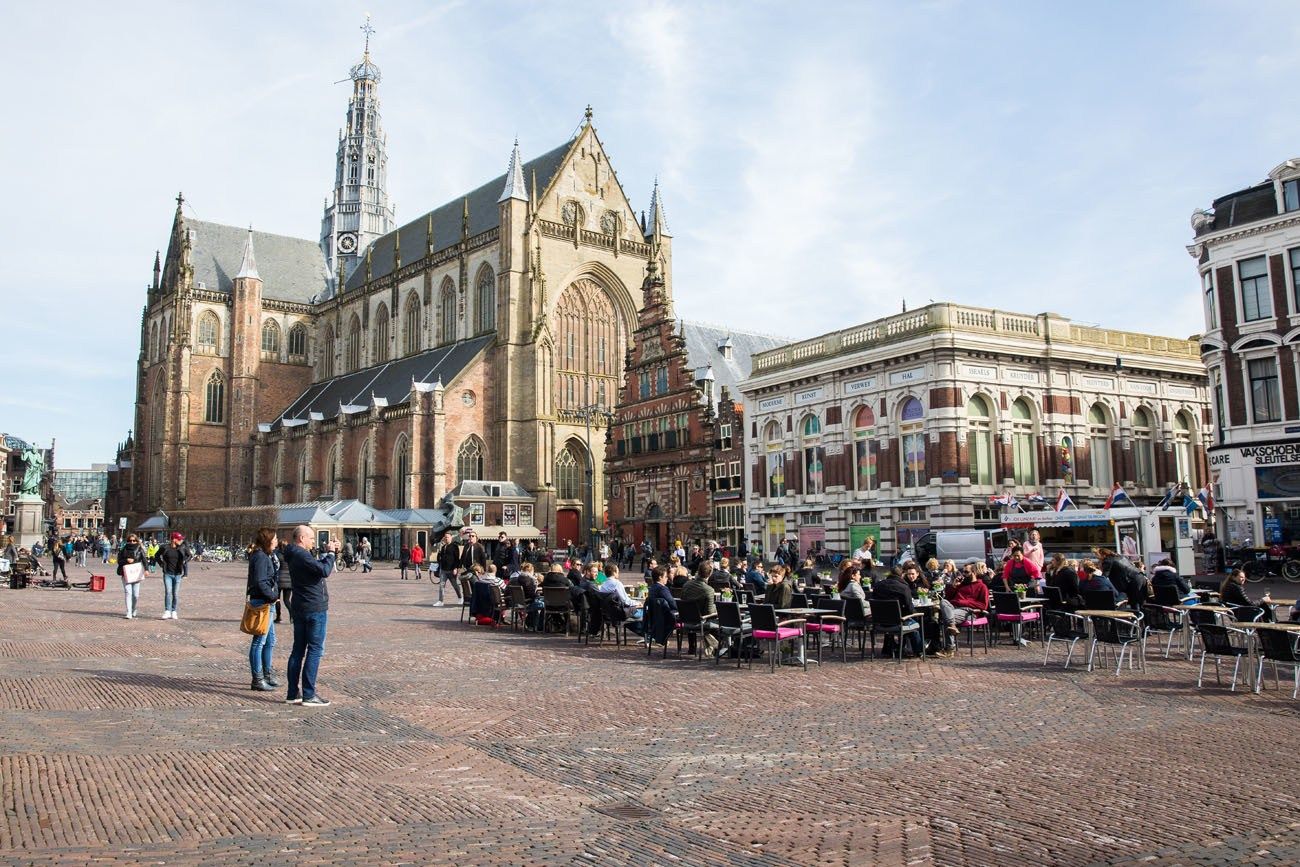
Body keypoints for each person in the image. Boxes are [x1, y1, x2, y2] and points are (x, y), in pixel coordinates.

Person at [284, 525, 338, 707]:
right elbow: (324, 571)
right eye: (311, 538)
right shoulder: (301, 555)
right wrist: (331, 554)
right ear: (301, 539)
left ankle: (293, 693)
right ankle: (308, 694)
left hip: (300, 606)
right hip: (313, 607)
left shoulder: (294, 555)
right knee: (314, 650)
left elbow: (315, 568)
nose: (313, 542)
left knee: (298, 650)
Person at [246, 527, 281, 692]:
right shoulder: (260, 557)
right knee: (259, 641)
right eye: (274, 538)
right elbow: (260, 582)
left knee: (270, 641)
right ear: (268, 540)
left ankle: (266, 674)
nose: (276, 541)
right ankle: (257, 679)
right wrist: (273, 595)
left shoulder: (265, 555)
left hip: (267, 602)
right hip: (263, 602)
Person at [872, 566, 923, 657]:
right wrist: (916, 615)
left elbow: (874, 600)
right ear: (902, 575)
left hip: (880, 622)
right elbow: (910, 609)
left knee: (907, 620)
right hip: (899, 622)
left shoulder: (878, 586)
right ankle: (919, 650)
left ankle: (892, 648)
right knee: (915, 624)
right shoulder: (903, 587)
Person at [681, 562, 721, 655]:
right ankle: (718, 648)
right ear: (710, 574)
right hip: (701, 621)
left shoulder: (686, 585)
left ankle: (692, 647)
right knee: (719, 621)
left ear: (698, 571)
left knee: (693, 614)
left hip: (686, 619)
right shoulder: (709, 590)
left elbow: (683, 601)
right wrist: (717, 607)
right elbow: (710, 611)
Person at [154, 532, 187, 620]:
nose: (181, 541)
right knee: (168, 592)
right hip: (168, 573)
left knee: (175, 593)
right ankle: (167, 611)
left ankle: (174, 611)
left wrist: (184, 561)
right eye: (179, 539)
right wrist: (161, 563)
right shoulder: (165, 547)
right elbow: (156, 555)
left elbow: (189, 555)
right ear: (174, 539)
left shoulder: (182, 547)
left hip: (178, 574)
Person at [117, 534, 146, 618]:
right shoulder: (123, 549)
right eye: (130, 540)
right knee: (128, 592)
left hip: (136, 573)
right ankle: (129, 612)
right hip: (125, 573)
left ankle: (133, 608)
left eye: (134, 540)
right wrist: (126, 560)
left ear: (137, 541)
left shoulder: (140, 549)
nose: (132, 542)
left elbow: (144, 559)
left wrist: (147, 569)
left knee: (135, 595)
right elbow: (119, 561)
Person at [434, 531, 462, 606]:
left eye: (448, 537)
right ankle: (440, 601)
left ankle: (460, 597)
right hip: (443, 570)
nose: (446, 538)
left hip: (451, 569)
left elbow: (457, 558)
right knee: (441, 585)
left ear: (451, 537)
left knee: (455, 585)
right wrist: (439, 551)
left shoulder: (454, 546)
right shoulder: (443, 547)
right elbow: (439, 559)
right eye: (445, 537)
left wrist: (456, 568)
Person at [274, 537, 292, 623]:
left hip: (279, 579)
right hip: (289, 579)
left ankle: (278, 616)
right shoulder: (290, 554)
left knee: (277, 599)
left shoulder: (277, 554)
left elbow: (275, 566)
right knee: (287, 600)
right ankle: (292, 616)